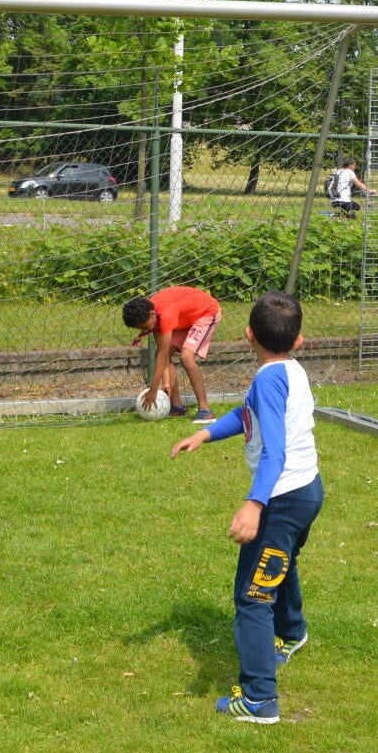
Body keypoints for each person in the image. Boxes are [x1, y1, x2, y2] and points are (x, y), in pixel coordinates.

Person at [170, 289, 323, 727]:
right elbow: (247, 415)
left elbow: (274, 451)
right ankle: (291, 633)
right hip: (308, 490)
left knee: (253, 596)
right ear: (298, 341)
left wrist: (255, 503)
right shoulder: (290, 370)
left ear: (247, 334)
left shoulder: (269, 379)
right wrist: (206, 433)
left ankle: (259, 698)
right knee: (281, 562)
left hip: (282, 499)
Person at [122, 285, 221, 424]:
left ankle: (205, 411)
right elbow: (163, 353)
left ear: (152, 314)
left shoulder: (165, 314)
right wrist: (166, 383)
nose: (145, 331)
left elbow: (162, 356)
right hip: (186, 319)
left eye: (144, 327)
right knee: (164, 352)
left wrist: (153, 390)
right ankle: (177, 407)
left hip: (207, 313)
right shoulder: (153, 316)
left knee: (186, 357)